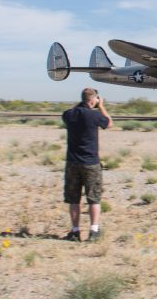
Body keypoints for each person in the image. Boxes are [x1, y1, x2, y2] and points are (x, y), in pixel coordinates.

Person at [61, 88, 113, 242]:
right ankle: (94, 230)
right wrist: (101, 106)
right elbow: (109, 123)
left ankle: (75, 231)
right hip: (90, 163)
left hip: (72, 162)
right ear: (94, 100)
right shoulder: (94, 115)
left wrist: (86, 102)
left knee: (73, 199)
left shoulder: (68, 115)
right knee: (94, 198)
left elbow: (73, 111)